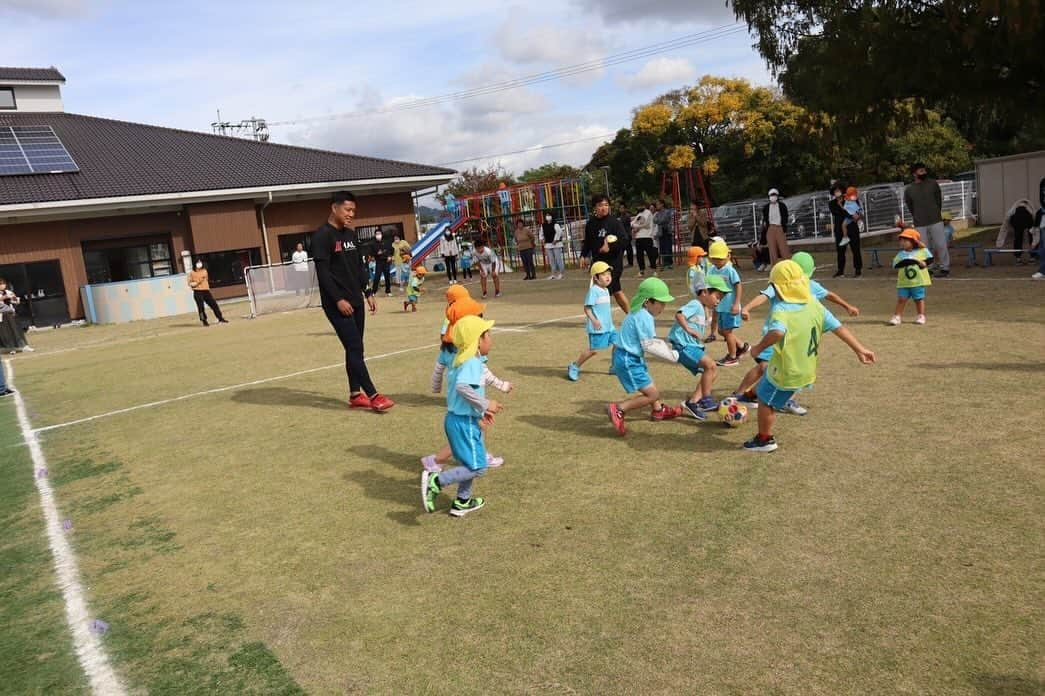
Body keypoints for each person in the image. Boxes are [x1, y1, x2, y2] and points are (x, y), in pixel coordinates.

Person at [742, 260, 875, 452]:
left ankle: (765, 440)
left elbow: (777, 332)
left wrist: (758, 348)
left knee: (766, 402)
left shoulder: (782, 309)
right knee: (766, 384)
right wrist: (859, 349)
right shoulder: (815, 304)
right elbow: (838, 327)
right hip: (806, 369)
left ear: (779, 288)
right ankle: (749, 395)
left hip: (788, 370)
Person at [734, 251, 860, 415]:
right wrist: (747, 308)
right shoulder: (779, 284)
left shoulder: (811, 285)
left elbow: (829, 295)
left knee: (792, 368)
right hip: (774, 336)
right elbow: (764, 296)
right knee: (765, 366)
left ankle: (773, 398)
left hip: (796, 338)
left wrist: (847, 306)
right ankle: (741, 395)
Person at [312, 190, 394, 412]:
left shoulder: (350, 235)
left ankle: (355, 394)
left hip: (356, 300)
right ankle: (374, 396)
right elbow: (323, 274)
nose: (351, 214)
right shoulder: (322, 236)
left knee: (355, 348)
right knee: (354, 345)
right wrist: (338, 299)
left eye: (353, 211)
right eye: (347, 210)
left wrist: (368, 292)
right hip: (337, 304)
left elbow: (359, 267)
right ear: (334, 208)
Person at [421, 315, 502, 517]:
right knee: (479, 467)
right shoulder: (472, 363)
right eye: (488, 335)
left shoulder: (460, 360)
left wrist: (481, 412)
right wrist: (486, 403)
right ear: (478, 341)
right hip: (463, 422)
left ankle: (462, 501)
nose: (490, 340)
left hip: (461, 419)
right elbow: (463, 387)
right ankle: (436, 481)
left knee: (470, 463)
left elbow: (462, 394)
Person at [424, 286, 508, 473]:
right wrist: (486, 401)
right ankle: (436, 461)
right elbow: (465, 381)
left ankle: (477, 455)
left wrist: (436, 387)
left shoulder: (458, 347)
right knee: (466, 435)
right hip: (464, 404)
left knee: (471, 433)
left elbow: (441, 369)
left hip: (462, 403)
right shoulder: (468, 355)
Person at [606, 277, 684, 435]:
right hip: (629, 360)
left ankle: (658, 410)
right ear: (648, 302)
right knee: (653, 393)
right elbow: (649, 345)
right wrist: (673, 356)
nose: (663, 307)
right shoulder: (644, 317)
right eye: (661, 303)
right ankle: (619, 408)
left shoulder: (637, 311)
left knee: (649, 384)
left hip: (628, 357)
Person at [669, 274, 732, 420]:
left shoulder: (704, 308)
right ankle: (706, 400)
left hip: (693, 347)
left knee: (712, 372)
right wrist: (688, 329)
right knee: (710, 366)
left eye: (721, 298)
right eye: (717, 296)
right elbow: (679, 315)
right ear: (704, 292)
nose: (719, 300)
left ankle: (692, 402)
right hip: (683, 346)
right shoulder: (695, 304)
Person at [567, 261, 617, 381]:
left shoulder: (605, 290)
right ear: (595, 277)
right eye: (604, 274)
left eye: (609, 274)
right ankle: (574, 366)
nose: (608, 277)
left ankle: (614, 367)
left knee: (619, 344)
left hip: (609, 327)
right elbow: (587, 308)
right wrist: (594, 321)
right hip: (598, 328)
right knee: (593, 351)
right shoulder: (594, 291)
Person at [581, 194, 628, 313]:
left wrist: (610, 247)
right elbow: (587, 242)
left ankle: (601, 318)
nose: (604, 208)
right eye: (600, 205)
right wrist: (583, 255)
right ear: (595, 208)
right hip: (598, 263)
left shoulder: (614, 223)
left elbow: (624, 240)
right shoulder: (591, 224)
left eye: (606, 205)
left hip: (613, 264)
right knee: (616, 291)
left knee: (601, 291)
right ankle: (631, 315)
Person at [707, 240, 749, 366]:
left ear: (728, 256)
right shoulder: (712, 270)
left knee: (727, 332)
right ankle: (741, 347)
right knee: (722, 331)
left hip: (730, 307)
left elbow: (738, 286)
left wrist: (736, 304)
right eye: (715, 259)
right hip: (720, 307)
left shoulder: (730, 270)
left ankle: (732, 357)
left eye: (721, 259)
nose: (718, 261)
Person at [904, 163, 947, 276]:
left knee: (941, 245)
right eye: (921, 171)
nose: (924, 173)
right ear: (914, 174)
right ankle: (928, 267)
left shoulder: (933, 184)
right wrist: (917, 216)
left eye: (924, 170)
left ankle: (945, 268)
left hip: (935, 220)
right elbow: (910, 205)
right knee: (924, 247)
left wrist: (936, 212)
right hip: (920, 223)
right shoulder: (909, 189)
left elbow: (938, 201)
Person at [888, 229, 933, 326]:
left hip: (918, 282)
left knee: (918, 299)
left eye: (905, 240)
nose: (902, 243)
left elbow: (930, 258)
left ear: (913, 241)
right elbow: (895, 265)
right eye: (901, 241)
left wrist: (924, 263)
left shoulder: (922, 251)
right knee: (901, 299)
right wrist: (909, 261)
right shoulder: (900, 254)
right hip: (904, 282)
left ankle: (921, 315)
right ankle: (897, 316)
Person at [187, 261, 228, 327]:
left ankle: (220, 318)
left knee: (214, 304)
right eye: (198, 262)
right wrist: (195, 283)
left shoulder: (204, 271)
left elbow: (204, 279)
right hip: (197, 292)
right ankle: (204, 321)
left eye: (200, 262)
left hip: (206, 291)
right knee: (201, 307)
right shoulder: (192, 273)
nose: (199, 264)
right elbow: (190, 283)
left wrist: (196, 282)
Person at [759, 188, 792, 265]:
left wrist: (784, 227)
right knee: (772, 249)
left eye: (774, 195)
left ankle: (787, 265)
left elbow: (785, 216)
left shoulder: (782, 206)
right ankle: (774, 266)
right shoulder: (766, 207)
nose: (773, 197)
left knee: (783, 248)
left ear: (777, 196)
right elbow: (765, 219)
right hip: (770, 228)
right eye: (771, 195)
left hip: (779, 227)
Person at [0, 278, 32, 353]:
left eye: (3, 283)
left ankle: (24, 346)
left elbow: (16, 302)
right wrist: (4, 297)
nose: (2, 285)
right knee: (6, 332)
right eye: (0, 284)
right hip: (2, 316)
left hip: (11, 314)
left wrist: (14, 298)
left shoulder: (8, 292)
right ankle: (11, 348)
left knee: (17, 330)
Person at [631, 202, 657, 276]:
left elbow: (646, 224)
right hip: (638, 237)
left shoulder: (648, 213)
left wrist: (636, 227)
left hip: (647, 236)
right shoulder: (639, 214)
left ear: (644, 206)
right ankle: (641, 270)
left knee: (650, 254)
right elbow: (632, 223)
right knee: (639, 255)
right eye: (638, 206)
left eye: (640, 205)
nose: (639, 207)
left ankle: (654, 270)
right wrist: (636, 226)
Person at [1006, 199, 1036, 263]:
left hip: (1017, 221)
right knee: (1032, 238)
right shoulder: (1029, 208)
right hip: (1028, 220)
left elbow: (1008, 217)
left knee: (1018, 239)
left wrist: (1013, 226)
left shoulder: (1014, 208)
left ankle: (1018, 258)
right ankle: (1032, 257)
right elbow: (1034, 216)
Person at [541, 212, 566, 280]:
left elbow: (559, 232)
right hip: (548, 244)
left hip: (556, 244)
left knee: (558, 259)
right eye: (546, 215)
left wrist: (555, 240)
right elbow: (541, 233)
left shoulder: (556, 224)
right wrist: (542, 240)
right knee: (551, 260)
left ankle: (561, 273)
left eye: (549, 215)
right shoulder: (543, 225)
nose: (548, 216)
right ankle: (553, 274)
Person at [370, 229, 393, 297]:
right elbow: (371, 253)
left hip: (386, 261)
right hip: (379, 262)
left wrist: (390, 256)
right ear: (375, 235)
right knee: (377, 277)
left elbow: (391, 250)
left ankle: (388, 291)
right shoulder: (373, 244)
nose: (378, 235)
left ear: (382, 234)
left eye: (379, 234)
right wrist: (377, 254)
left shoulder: (386, 242)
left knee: (387, 277)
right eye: (377, 234)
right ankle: (373, 291)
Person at [653, 199, 675, 270]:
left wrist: (659, 221)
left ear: (662, 204)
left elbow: (664, 219)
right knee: (662, 248)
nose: (657, 206)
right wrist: (660, 221)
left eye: (658, 204)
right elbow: (654, 220)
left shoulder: (667, 211)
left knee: (668, 248)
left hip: (667, 231)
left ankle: (669, 264)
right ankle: (664, 263)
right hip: (661, 232)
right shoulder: (657, 213)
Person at [617, 203, 634, 267]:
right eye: (620, 208)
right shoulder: (621, 216)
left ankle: (630, 263)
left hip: (627, 235)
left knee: (628, 249)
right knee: (623, 249)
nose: (621, 209)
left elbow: (624, 225)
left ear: (625, 209)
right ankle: (627, 263)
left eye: (622, 208)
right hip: (623, 235)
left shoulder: (626, 216)